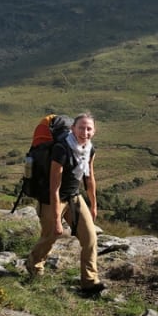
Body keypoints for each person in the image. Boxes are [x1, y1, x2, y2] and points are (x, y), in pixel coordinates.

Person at [26, 112, 105, 294]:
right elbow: (54, 187)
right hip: (52, 199)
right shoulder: (61, 149)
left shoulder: (90, 149)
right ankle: (33, 264)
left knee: (90, 238)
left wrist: (93, 205)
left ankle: (90, 281)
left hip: (74, 197)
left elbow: (89, 178)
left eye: (89, 128)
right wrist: (56, 220)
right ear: (73, 129)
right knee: (50, 236)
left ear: (94, 131)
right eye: (81, 128)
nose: (85, 132)